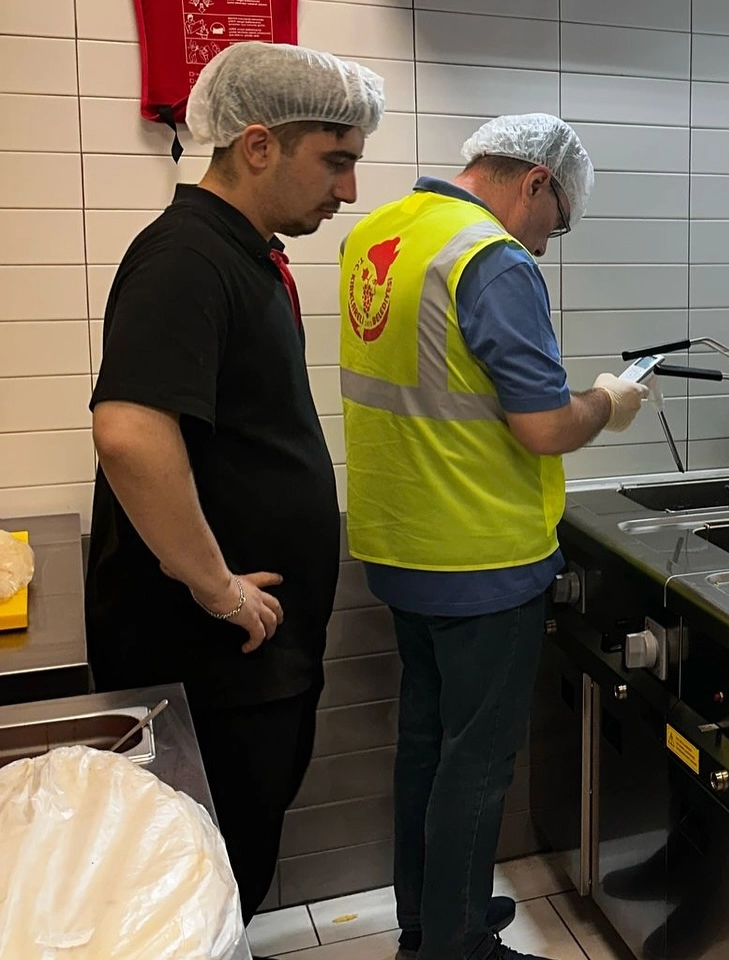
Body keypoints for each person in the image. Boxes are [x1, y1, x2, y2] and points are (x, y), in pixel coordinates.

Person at [84, 42, 385, 937]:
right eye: (335, 161)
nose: (349, 190)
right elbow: (129, 431)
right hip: (212, 658)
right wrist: (217, 587)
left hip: (249, 658)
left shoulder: (242, 253)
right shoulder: (187, 256)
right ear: (258, 145)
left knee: (231, 869)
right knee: (197, 887)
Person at [338, 114, 647, 960]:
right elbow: (545, 427)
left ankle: (430, 921)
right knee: (475, 761)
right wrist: (608, 403)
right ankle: (460, 944)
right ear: (536, 182)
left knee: (425, 745)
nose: (546, 243)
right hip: (482, 554)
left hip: (397, 541)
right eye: (558, 221)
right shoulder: (493, 258)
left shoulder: (381, 234)